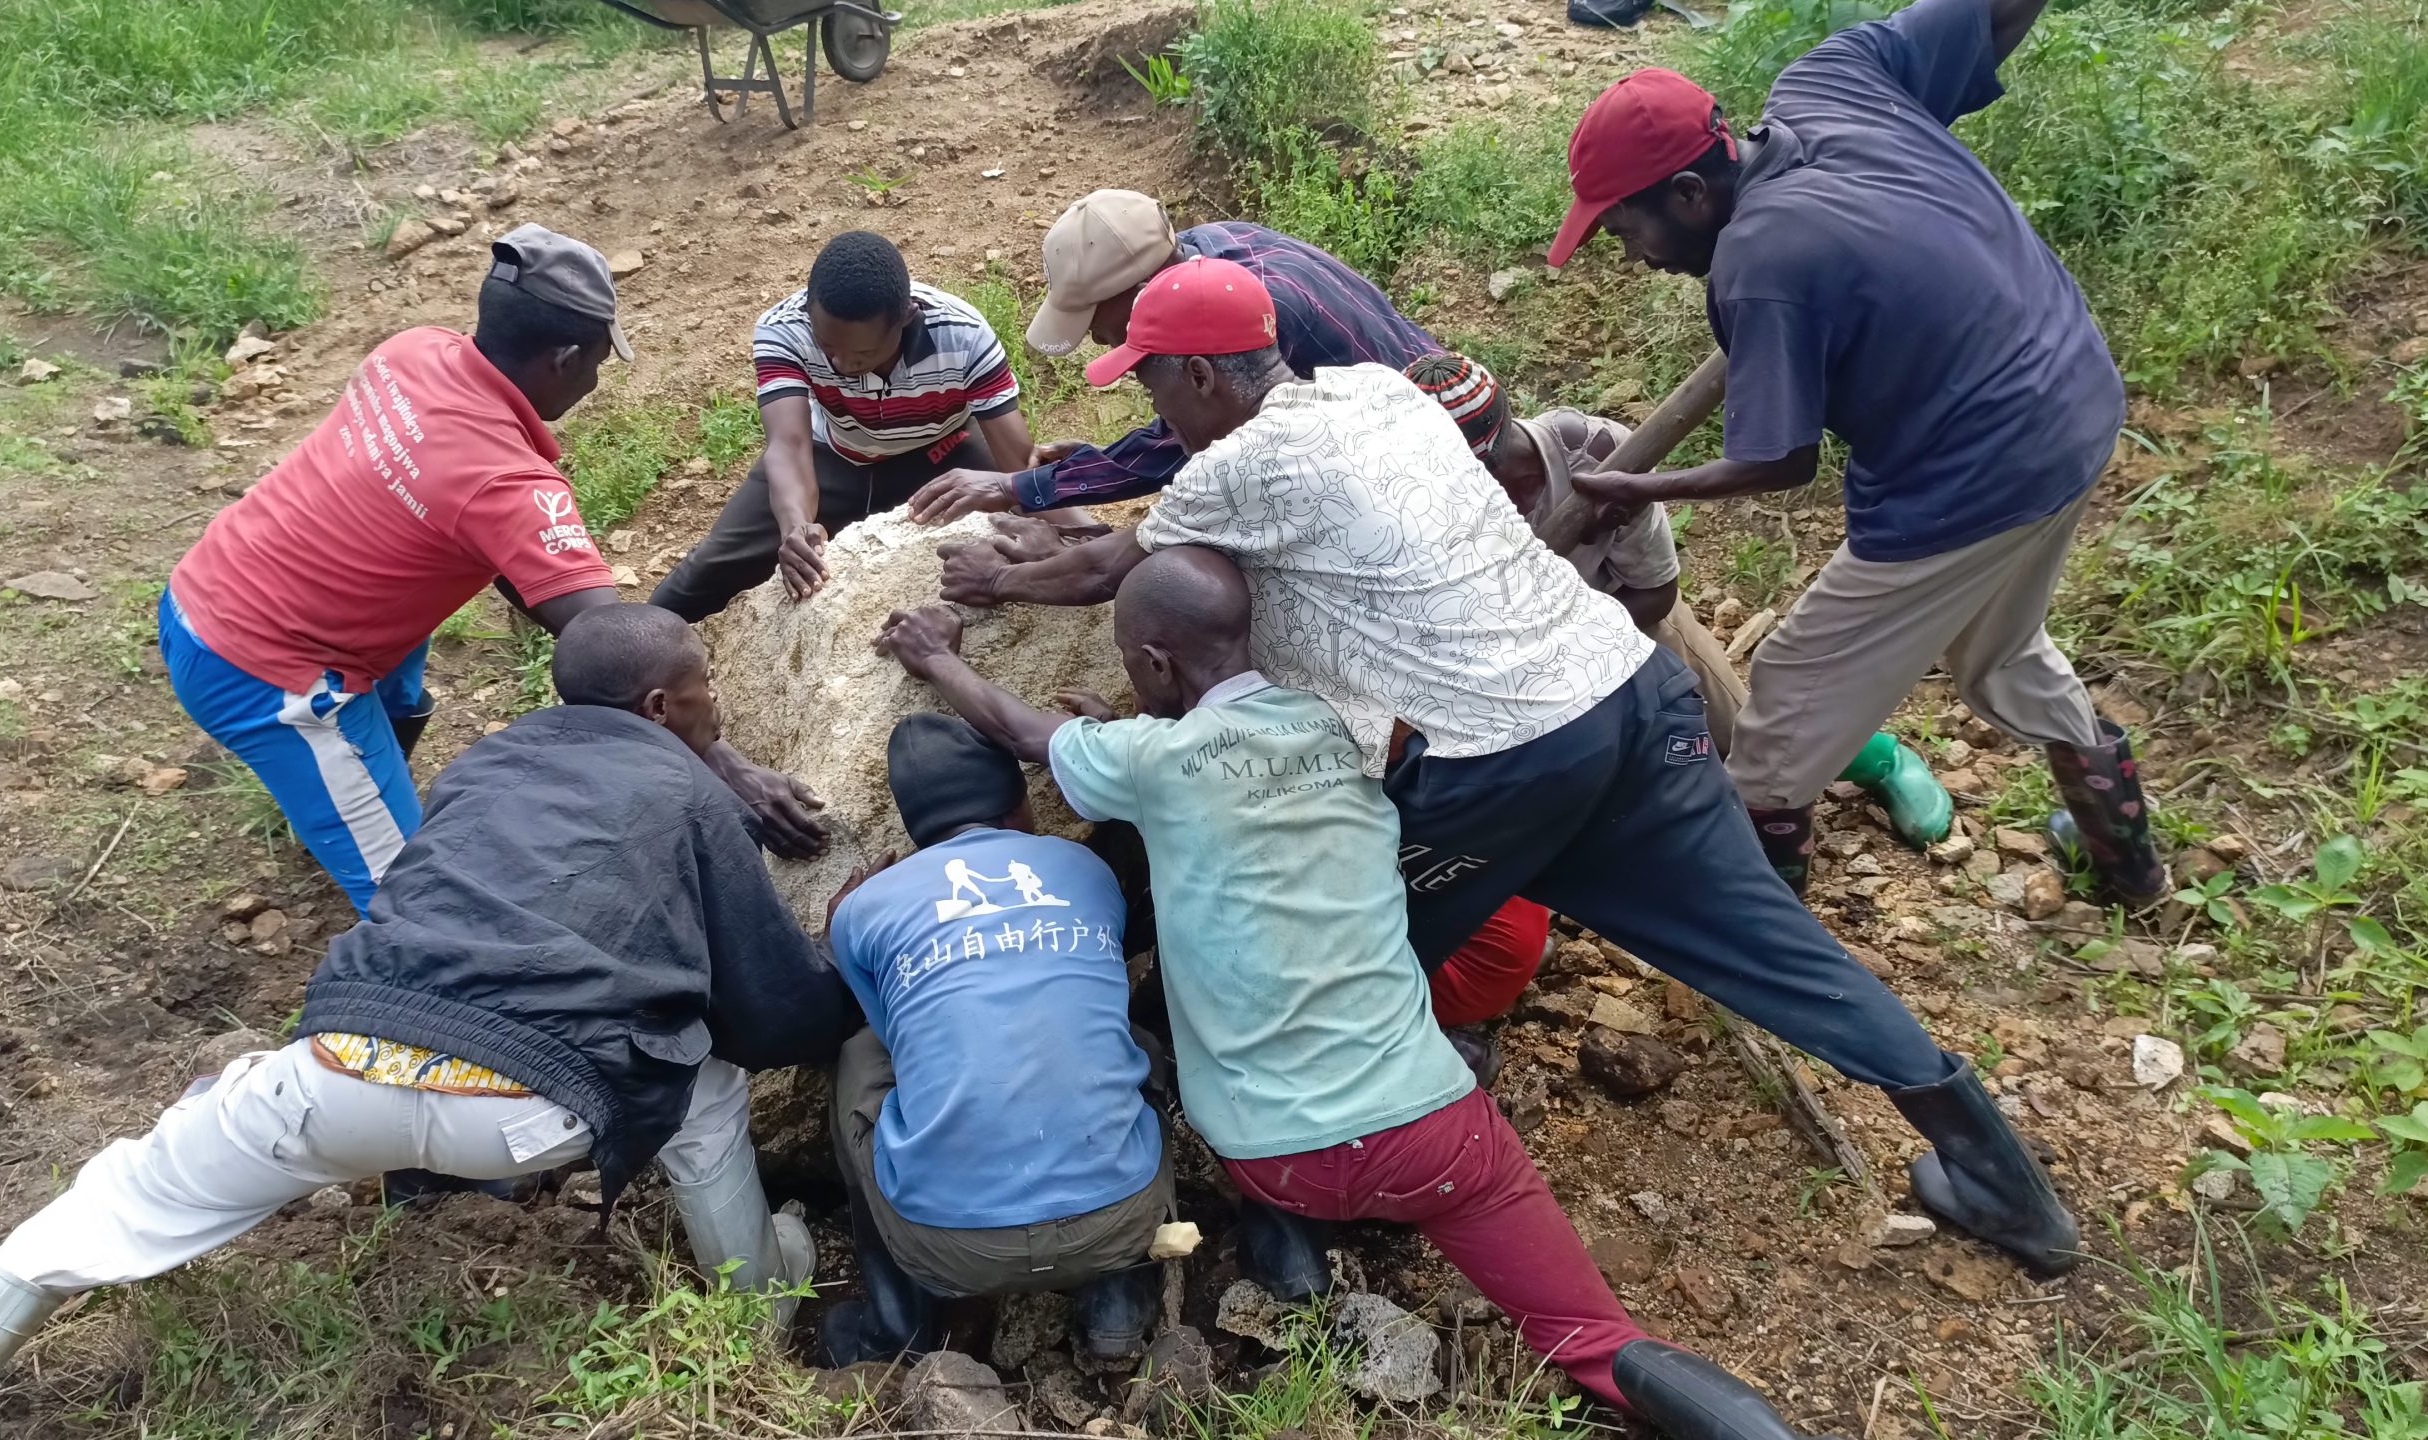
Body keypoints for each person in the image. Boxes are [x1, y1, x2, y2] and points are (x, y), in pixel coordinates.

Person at [935, 259, 2080, 1284]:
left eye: (1154, 387)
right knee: (1772, 951)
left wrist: (991, 587)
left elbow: (1108, 577)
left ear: (1200, 377)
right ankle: (2005, 1185)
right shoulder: (1380, 393)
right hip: (1628, 698)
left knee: (1318, 939)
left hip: (1500, 762)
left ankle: (1279, 1199)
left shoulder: (1237, 465)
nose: (1157, 410)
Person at [874, 551, 1829, 1440]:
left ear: (1155, 664)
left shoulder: (1147, 762)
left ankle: (1278, 1234)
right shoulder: (1347, 723)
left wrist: (936, 655)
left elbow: (1021, 733)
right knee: (1600, 1342)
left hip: (1271, 1156)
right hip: (1436, 1137)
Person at [0, 606, 850, 1425]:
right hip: (532, 1116)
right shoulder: (694, 796)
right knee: (708, 1086)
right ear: (659, 707)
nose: (716, 705)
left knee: (83, 1222)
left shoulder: (487, 761)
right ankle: (756, 1305)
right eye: (708, 688)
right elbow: (769, 1007)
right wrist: (851, 976)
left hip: (331, 1074)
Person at [1542, 0, 2164, 906]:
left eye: (1626, 228)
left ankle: (1756, 912)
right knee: (2000, 647)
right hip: (2073, 395)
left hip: (1973, 471)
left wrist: (1637, 484)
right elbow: (1987, 15)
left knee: (1791, 691)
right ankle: (2129, 863)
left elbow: (1780, 463)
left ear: (1688, 195)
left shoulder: (1762, 264)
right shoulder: (1832, 85)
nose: (1632, 253)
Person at [160, 225, 822, 915]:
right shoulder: (504, 484)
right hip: (270, 675)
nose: (598, 380)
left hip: (214, 580)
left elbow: (522, 574)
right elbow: (617, 648)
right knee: (422, 912)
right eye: (599, 361)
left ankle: (334, 803)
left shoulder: (413, 351)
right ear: (565, 359)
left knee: (403, 698)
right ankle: (343, 810)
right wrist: (724, 762)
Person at [1403, 351, 1955, 876]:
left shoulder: (1599, 455)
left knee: (1751, 737)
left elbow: (1656, 594)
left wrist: (1566, 643)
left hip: (1625, 614)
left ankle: (1875, 758)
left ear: (1497, 447)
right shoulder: (1416, 497)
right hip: (1512, 656)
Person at [815, 714, 1171, 1366]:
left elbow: (900, 1039)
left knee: (861, 1056)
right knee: (1134, 1045)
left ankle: (894, 1328)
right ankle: (1120, 1299)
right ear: (1022, 804)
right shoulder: (1084, 869)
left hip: (950, 1249)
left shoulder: (863, 911)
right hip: (1120, 1220)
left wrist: (839, 931)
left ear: (915, 830)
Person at [906, 189, 1440, 523]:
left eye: (1096, 319)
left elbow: (1198, 452)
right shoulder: (1207, 248)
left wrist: (1018, 488)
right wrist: (1101, 458)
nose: (1096, 339)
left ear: (1143, 290)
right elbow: (1195, 425)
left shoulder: (1260, 314)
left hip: (1418, 464)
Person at [650, 231, 1036, 619]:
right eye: (828, 347)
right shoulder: (784, 328)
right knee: (705, 574)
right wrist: (797, 529)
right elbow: (789, 445)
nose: (841, 365)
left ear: (905, 317)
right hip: (832, 457)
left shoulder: (962, 334)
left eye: (863, 352)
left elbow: (1018, 463)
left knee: (1032, 526)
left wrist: (1067, 524)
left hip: (942, 453)